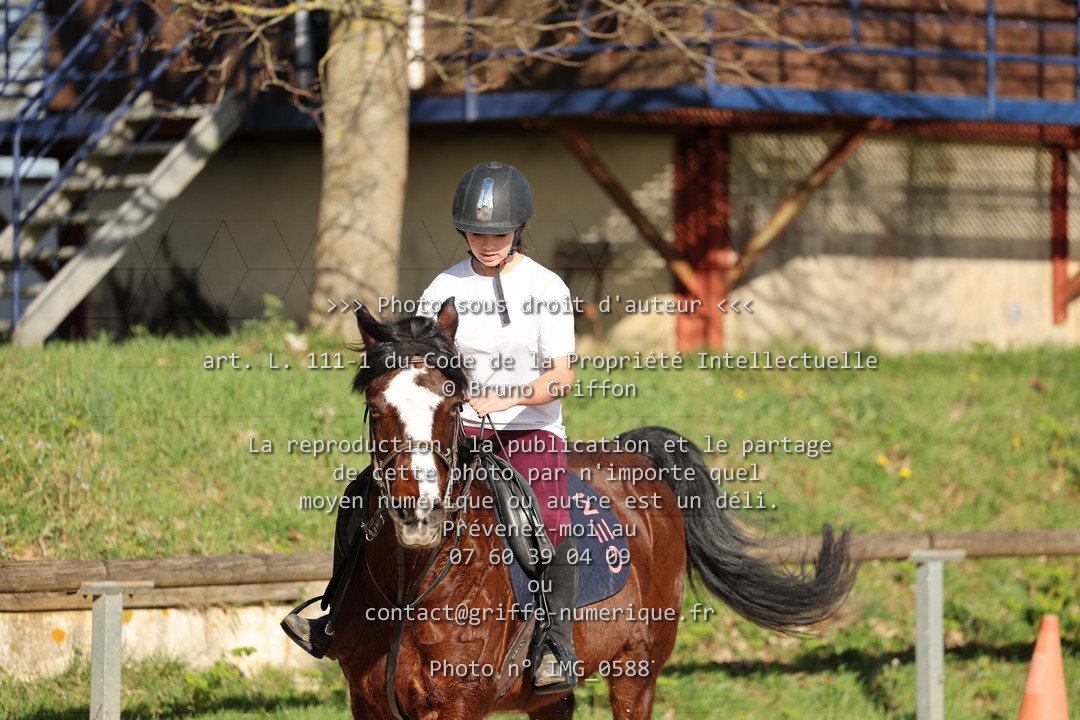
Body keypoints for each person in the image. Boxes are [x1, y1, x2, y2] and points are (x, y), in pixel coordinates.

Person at [282, 161, 580, 694]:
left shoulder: (547, 286)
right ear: (462, 231)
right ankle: (334, 616)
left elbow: (561, 377)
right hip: (455, 431)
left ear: (519, 229)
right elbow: (416, 364)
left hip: (528, 431)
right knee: (361, 498)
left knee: (549, 521)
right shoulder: (445, 286)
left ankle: (554, 645)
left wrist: (502, 398)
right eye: (477, 233)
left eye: (499, 234)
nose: (487, 243)